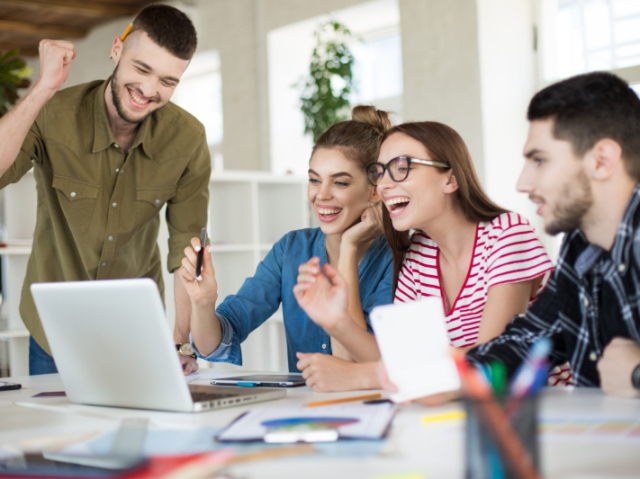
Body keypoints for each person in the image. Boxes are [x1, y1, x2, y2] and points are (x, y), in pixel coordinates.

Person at [0, 5, 211, 375]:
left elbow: (186, 250)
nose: (148, 91)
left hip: (134, 328)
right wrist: (43, 88)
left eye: (167, 81)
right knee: (59, 434)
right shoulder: (53, 115)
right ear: (117, 49)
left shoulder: (188, 139)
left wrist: (179, 342)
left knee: (136, 432)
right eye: (142, 69)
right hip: (54, 329)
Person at [294, 121, 553, 391]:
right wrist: (338, 322)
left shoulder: (508, 234)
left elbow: (491, 364)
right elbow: (401, 362)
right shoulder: (421, 252)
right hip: (463, 412)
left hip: (548, 411)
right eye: (379, 172)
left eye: (401, 168)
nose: (383, 185)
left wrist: (361, 376)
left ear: (450, 179)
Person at [464, 71, 640, 399]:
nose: (522, 184)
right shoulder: (582, 244)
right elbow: (528, 340)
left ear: (602, 160)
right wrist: (461, 376)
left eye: (540, 161)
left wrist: (635, 374)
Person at [179, 106, 393, 373]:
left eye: (340, 183)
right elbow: (214, 345)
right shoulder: (291, 250)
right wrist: (203, 302)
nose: (321, 195)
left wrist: (349, 249)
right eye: (314, 180)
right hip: (305, 411)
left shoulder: (397, 260)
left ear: (374, 191)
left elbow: (355, 365)